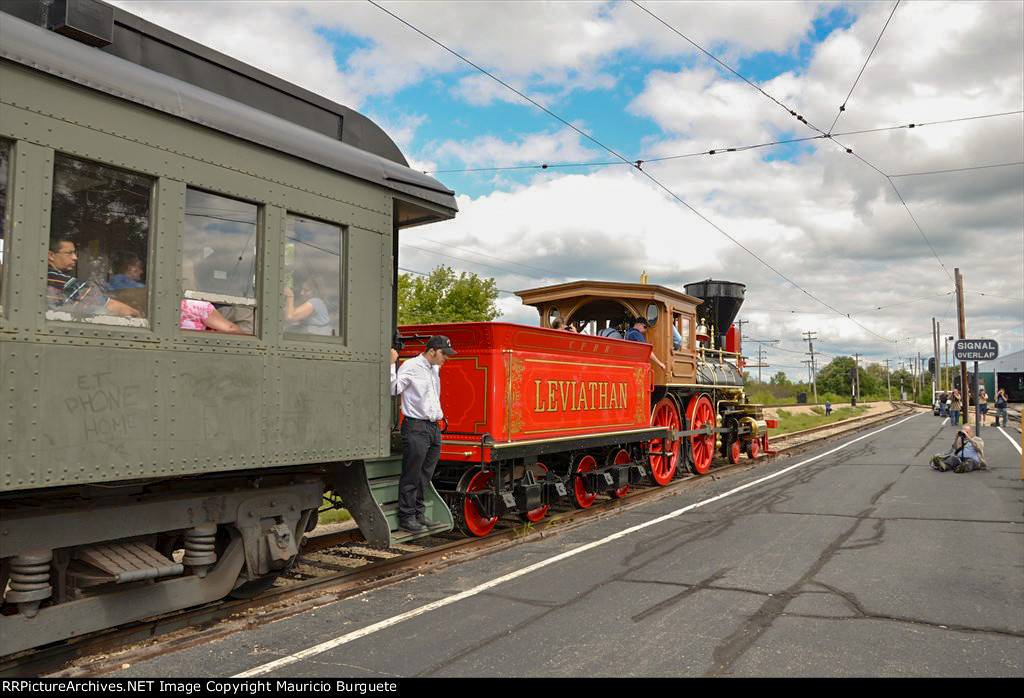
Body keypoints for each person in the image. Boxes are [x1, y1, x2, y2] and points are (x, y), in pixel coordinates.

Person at [390, 335, 456, 533]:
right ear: (432, 351)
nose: (446, 358)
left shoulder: (434, 368)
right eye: (444, 353)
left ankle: (418, 514)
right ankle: (407, 516)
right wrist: (391, 364)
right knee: (412, 474)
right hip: (416, 426)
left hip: (434, 428)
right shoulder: (411, 366)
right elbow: (394, 389)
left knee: (425, 475)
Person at [47, 238, 139, 318]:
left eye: (75, 253)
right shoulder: (65, 282)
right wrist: (137, 314)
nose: (75, 258)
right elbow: (107, 305)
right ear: (51, 255)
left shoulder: (44, 276)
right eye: (69, 253)